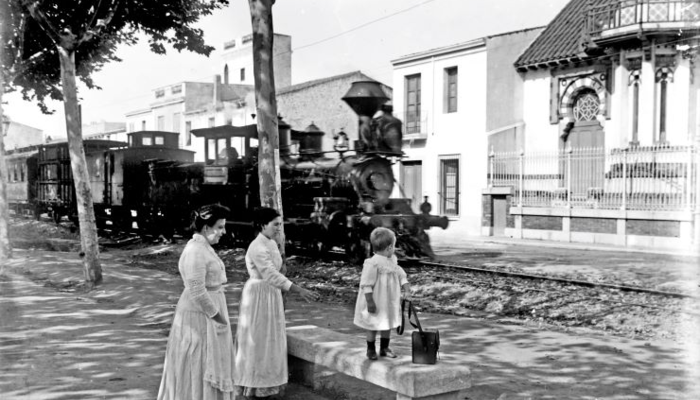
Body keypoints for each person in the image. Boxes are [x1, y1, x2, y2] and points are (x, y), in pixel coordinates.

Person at [233, 207, 319, 399]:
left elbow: (277, 270)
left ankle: (267, 385)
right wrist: (298, 290)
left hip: (270, 294)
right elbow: (270, 274)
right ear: (262, 225)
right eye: (275, 224)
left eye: (281, 224)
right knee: (258, 339)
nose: (279, 228)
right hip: (258, 295)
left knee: (269, 338)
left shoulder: (271, 242)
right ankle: (253, 385)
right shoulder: (257, 246)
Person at [157, 204, 235, 400]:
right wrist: (218, 317)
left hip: (208, 309)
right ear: (206, 228)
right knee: (199, 359)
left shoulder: (204, 247)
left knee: (207, 358)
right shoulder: (195, 250)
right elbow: (198, 291)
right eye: (219, 227)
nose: (223, 232)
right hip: (199, 313)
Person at [353, 227, 411, 360]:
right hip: (376, 300)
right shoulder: (372, 263)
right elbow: (366, 284)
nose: (394, 249)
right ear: (389, 247)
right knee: (372, 325)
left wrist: (406, 287)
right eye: (394, 246)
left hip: (389, 300)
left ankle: (384, 348)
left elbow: (400, 273)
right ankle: (371, 349)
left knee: (387, 322)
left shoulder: (392, 261)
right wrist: (369, 302)